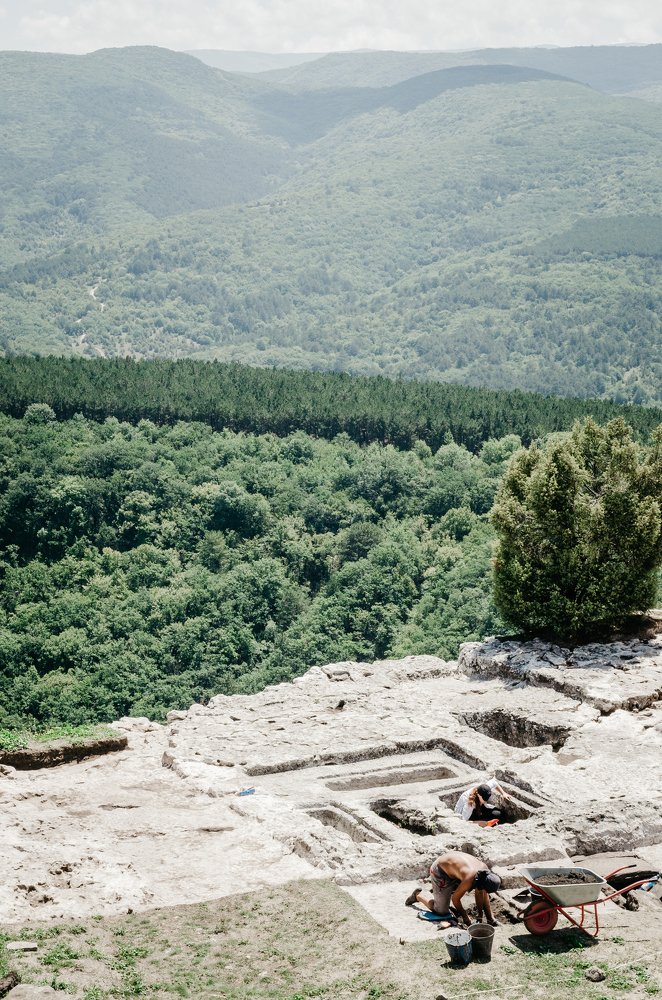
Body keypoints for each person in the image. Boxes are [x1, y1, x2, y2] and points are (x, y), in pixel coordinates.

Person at [405, 850, 502, 928]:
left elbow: (481, 893)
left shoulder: (484, 872)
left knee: (481, 892)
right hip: (440, 871)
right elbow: (455, 899)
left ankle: (490, 919)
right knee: (441, 911)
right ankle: (418, 896)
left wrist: (481, 916)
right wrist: (465, 917)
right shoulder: (469, 877)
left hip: (453, 869)